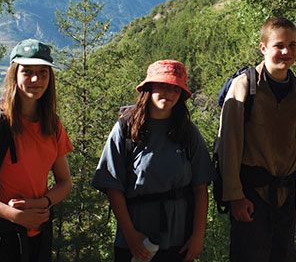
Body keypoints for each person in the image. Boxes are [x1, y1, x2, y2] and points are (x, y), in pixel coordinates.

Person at [0, 39, 73, 262]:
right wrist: (15, 215)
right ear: (14, 74)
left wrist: (42, 204)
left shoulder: (52, 126)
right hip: (0, 236)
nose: (35, 79)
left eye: (43, 72)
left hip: (39, 234)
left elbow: (65, 182)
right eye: (27, 72)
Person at [217, 16, 296, 262]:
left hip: (287, 193)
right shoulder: (245, 86)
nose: (286, 51)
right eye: (279, 45)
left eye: (292, 45)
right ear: (263, 48)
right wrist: (236, 197)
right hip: (251, 194)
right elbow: (228, 145)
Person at [92, 59, 214, 262]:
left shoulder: (187, 133)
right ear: (148, 88)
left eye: (175, 88)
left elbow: (200, 187)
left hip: (178, 240)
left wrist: (197, 237)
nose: (169, 92)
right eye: (163, 85)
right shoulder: (125, 129)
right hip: (136, 239)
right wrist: (131, 236)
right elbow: (113, 186)